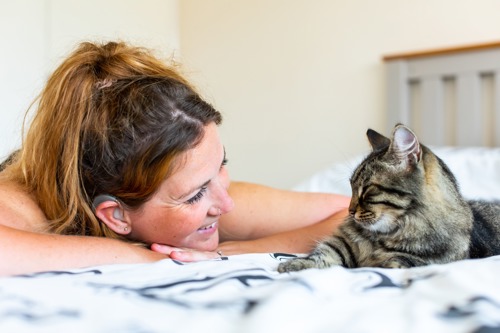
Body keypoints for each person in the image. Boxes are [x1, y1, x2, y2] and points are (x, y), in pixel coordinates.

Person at [0, 41, 349, 276]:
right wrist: (145, 257)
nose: (224, 203)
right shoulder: (21, 204)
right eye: (195, 194)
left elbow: (360, 214)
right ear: (117, 215)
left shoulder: (203, 191)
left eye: (221, 165)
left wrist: (232, 253)